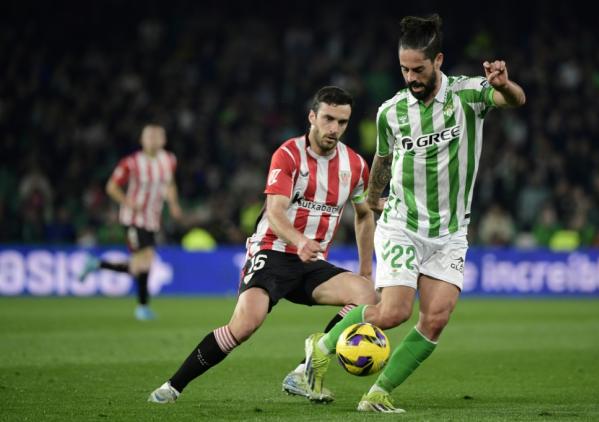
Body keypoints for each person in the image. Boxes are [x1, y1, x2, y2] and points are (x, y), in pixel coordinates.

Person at [301, 15, 526, 413]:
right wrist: (373, 199)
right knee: (393, 313)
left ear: (438, 60)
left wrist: (504, 85)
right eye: (404, 69)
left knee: (436, 319)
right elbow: (382, 159)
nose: (410, 77)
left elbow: (515, 100)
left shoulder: (467, 95)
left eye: (418, 69)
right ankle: (321, 346)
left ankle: (377, 394)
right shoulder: (391, 112)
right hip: (403, 225)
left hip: (451, 231)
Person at [147, 86, 378, 404]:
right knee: (243, 326)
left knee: (366, 295)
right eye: (328, 119)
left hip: (310, 263)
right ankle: (172, 387)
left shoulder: (355, 165)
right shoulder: (288, 155)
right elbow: (275, 211)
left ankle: (303, 373)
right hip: (273, 252)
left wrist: (365, 270)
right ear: (312, 117)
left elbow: (364, 215)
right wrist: (299, 240)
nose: (334, 128)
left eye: (342, 122)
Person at [79, 124, 183, 320]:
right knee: (145, 260)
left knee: (139, 266)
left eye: (157, 136)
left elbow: (170, 183)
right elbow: (111, 186)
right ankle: (142, 308)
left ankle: (97, 264)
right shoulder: (131, 163)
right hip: (133, 218)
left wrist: (174, 204)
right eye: (149, 136)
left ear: (164, 140)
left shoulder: (169, 160)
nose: (153, 140)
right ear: (142, 140)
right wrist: (128, 202)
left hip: (152, 219)